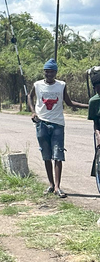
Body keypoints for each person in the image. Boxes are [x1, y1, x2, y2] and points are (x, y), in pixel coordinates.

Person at [27, 58, 87, 198]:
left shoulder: (61, 85)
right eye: (47, 72)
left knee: (58, 155)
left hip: (57, 124)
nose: (49, 74)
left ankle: (58, 187)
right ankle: (51, 184)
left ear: (56, 73)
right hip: (41, 123)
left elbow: (69, 102)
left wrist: (88, 105)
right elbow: (30, 96)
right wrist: (33, 111)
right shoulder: (37, 85)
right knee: (46, 155)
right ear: (44, 72)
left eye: (52, 72)